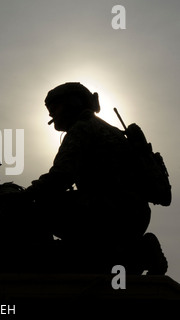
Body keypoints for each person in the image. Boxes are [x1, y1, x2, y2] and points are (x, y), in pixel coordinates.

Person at [25, 82, 167, 274]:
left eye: (54, 108)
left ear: (72, 104)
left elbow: (60, 177)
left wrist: (25, 196)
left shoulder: (82, 129)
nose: (51, 115)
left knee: (39, 209)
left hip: (107, 211)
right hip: (134, 214)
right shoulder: (112, 131)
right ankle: (136, 252)